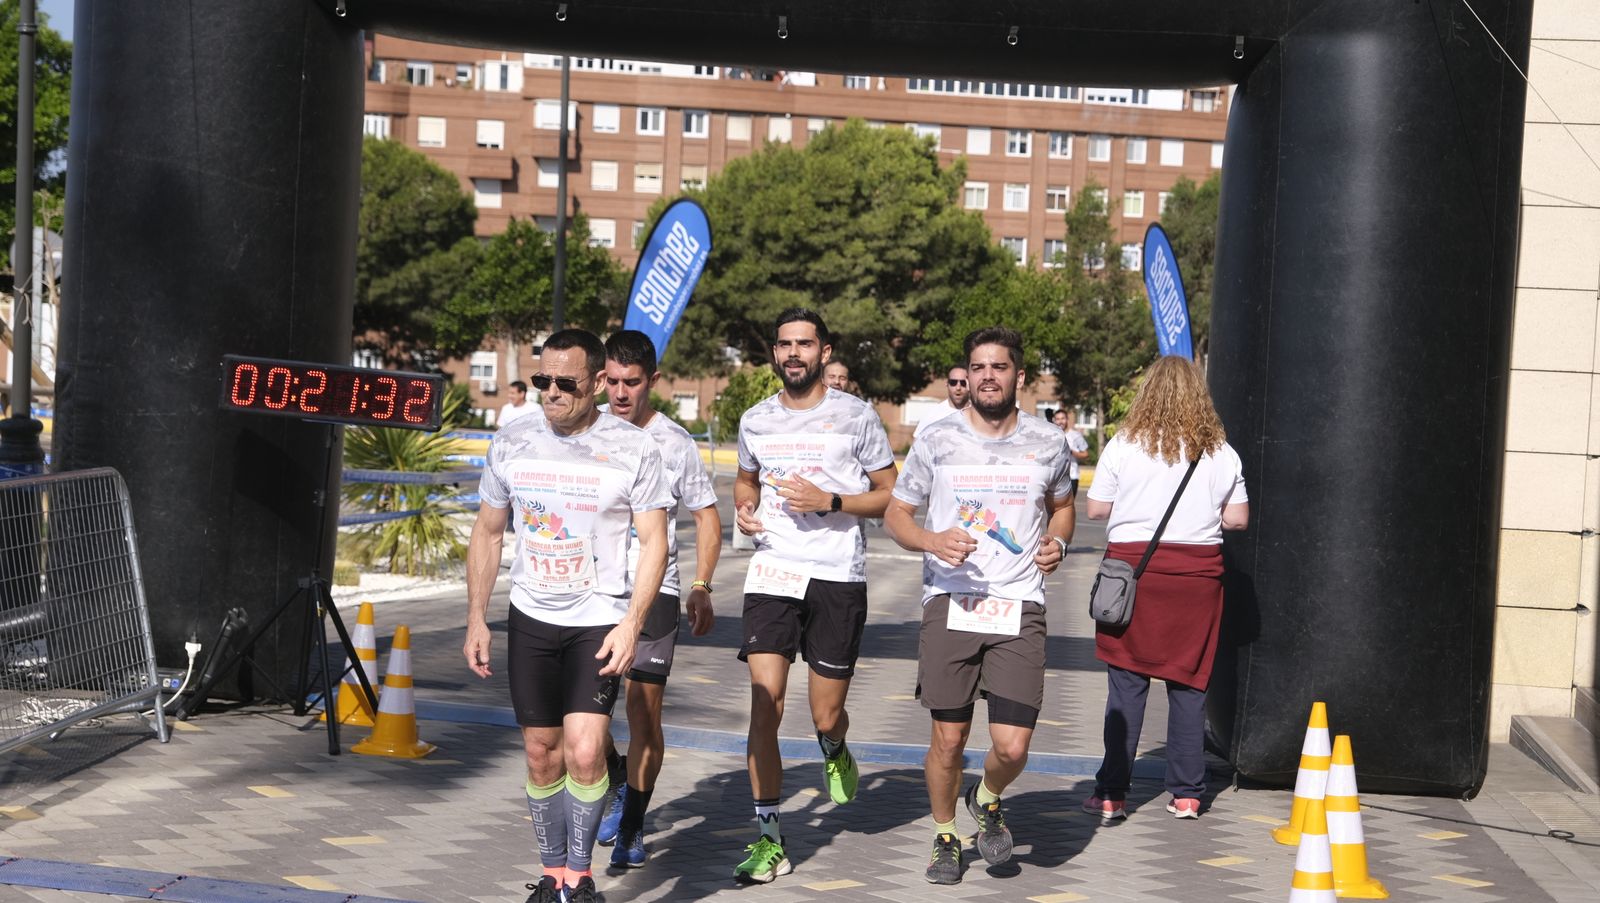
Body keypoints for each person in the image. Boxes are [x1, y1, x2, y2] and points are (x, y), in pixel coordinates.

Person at [463, 329, 673, 903]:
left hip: (598, 618)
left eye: (566, 383)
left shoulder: (633, 448)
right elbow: (487, 532)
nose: (551, 393)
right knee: (540, 752)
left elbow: (655, 542)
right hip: (531, 614)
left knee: (585, 751)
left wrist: (632, 622)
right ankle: (551, 876)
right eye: (542, 381)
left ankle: (580, 881)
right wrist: (477, 619)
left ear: (599, 383)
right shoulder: (511, 441)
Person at [884, 326, 1074, 885]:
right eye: (978, 367)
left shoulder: (1048, 443)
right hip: (951, 600)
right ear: (967, 375)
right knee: (948, 738)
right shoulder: (937, 439)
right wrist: (932, 540)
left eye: (999, 366)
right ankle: (945, 835)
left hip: (1020, 602)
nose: (988, 375)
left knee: (1012, 746)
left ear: (1019, 375)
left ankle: (985, 795)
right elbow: (897, 514)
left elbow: (1063, 506)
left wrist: (1058, 542)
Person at [731, 308, 897, 884]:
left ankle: (834, 745)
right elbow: (746, 479)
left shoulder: (856, 417)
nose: (793, 353)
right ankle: (770, 838)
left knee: (824, 711)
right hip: (773, 572)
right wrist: (745, 509)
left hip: (835, 575)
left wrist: (831, 501)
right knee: (765, 703)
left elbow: (889, 496)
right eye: (784, 345)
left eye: (805, 344)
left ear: (824, 352)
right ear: (774, 353)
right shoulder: (755, 419)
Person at [1081, 355, 1249, 821]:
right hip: (1196, 581)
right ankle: (1188, 793)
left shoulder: (1123, 445)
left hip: (1132, 578)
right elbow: (1237, 519)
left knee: (1126, 687)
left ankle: (1112, 792)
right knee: (1189, 686)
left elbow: (1095, 509)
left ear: (1146, 392)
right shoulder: (1221, 452)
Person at [591, 330, 722, 868]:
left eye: (632, 382)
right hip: (589, 592)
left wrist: (701, 585)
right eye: (612, 381)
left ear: (654, 381)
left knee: (644, 715)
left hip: (656, 592)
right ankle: (616, 773)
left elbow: (707, 517)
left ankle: (634, 824)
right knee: (584, 718)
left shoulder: (674, 442)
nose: (620, 393)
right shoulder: (584, 428)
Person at [912, 365, 971, 438]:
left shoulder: (979, 413)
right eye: (953, 382)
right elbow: (917, 445)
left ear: (969, 384)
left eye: (963, 383)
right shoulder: (933, 415)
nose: (958, 387)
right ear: (947, 384)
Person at [1053, 408, 1092, 496]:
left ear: (1067, 419)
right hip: (1054, 476)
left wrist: (1070, 452)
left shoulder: (1075, 435)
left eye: (1063, 418)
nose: (1060, 421)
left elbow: (1086, 454)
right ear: (1054, 421)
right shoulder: (1052, 436)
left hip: (1072, 476)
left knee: (1068, 506)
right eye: (1058, 419)